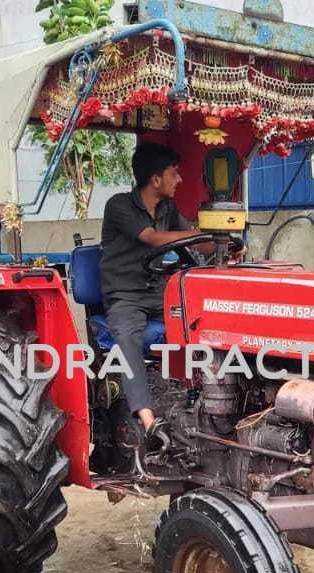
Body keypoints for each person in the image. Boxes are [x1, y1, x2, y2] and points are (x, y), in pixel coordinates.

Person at [98, 142, 201, 449]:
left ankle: (197, 400)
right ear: (156, 179)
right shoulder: (118, 206)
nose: (179, 180)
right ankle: (148, 419)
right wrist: (196, 233)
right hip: (124, 296)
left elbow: (198, 241)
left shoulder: (168, 209)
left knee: (199, 318)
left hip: (157, 292)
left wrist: (225, 239)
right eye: (174, 173)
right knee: (128, 337)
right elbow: (152, 238)